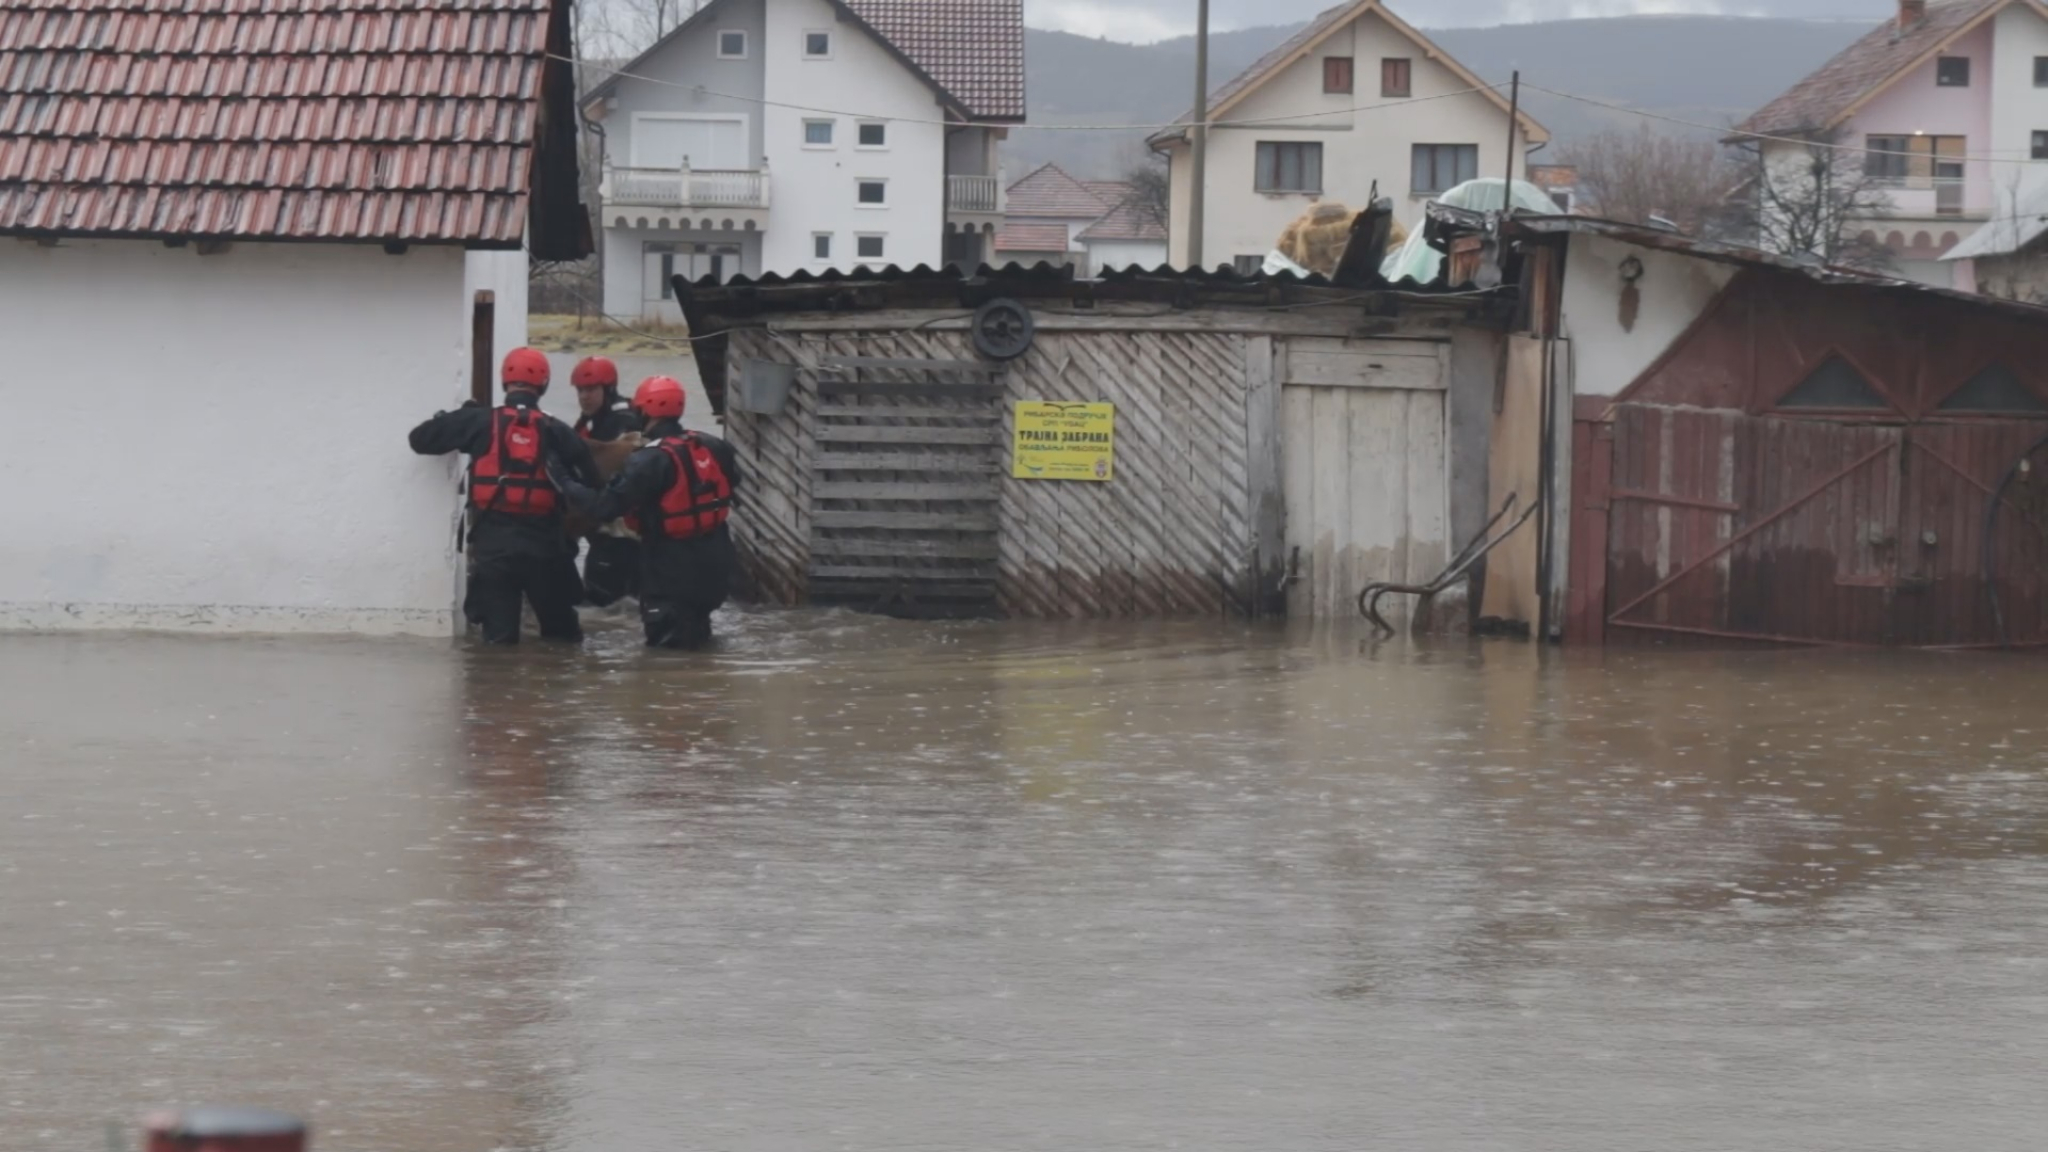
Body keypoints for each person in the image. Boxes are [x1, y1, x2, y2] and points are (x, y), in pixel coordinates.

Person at [409, 347, 600, 645]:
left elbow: (419, 440)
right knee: (563, 640)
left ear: (504, 382)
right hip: (545, 547)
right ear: (544, 385)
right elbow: (593, 483)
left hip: (494, 548)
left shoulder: (479, 421)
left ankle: (498, 689)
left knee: (498, 643)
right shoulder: (557, 430)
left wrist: (457, 416)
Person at [554, 376, 743, 650]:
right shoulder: (713, 445)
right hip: (716, 569)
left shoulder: (649, 459)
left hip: (672, 571)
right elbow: (732, 481)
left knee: (665, 662)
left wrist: (566, 482)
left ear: (645, 411)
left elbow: (604, 508)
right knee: (701, 644)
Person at [568, 355, 646, 607]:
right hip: (608, 532)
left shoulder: (624, 420)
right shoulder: (588, 421)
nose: (584, 396)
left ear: (608, 389)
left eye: (591, 389)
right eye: (580, 390)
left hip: (623, 535)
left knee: (602, 602)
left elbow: (610, 463)